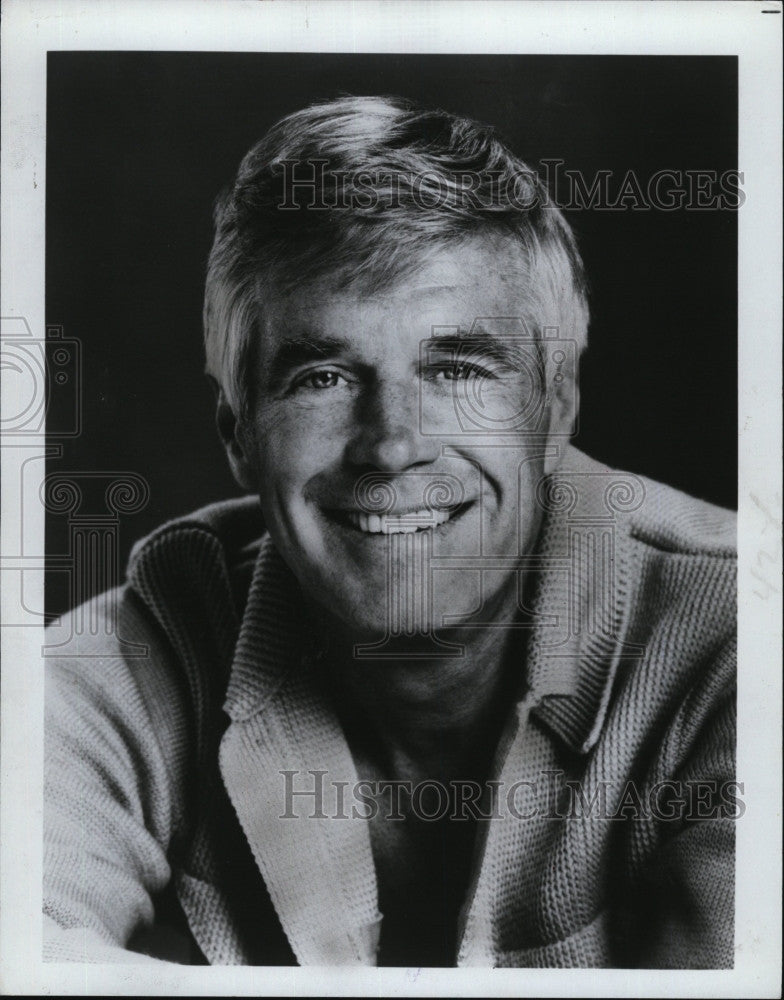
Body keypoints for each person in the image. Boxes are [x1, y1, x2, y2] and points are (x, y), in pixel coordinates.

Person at [44, 95, 737, 968]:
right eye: (324, 376)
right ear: (239, 438)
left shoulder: (743, 647)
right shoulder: (146, 651)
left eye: (454, 368)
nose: (393, 445)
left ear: (553, 415)